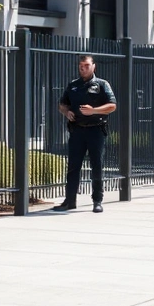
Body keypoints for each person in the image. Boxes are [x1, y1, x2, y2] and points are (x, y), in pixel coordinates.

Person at [54, 54, 117, 213]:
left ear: (93, 66)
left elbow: (112, 106)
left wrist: (93, 111)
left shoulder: (102, 84)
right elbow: (62, 104)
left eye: (87, 66)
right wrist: (66, 112)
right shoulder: (73, 85)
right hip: (77, 130)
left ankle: (97, 200)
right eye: (81, 66)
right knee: (73, 166)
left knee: (96, 165)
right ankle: (69, 201)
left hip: (96, 130)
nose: (83, 68)